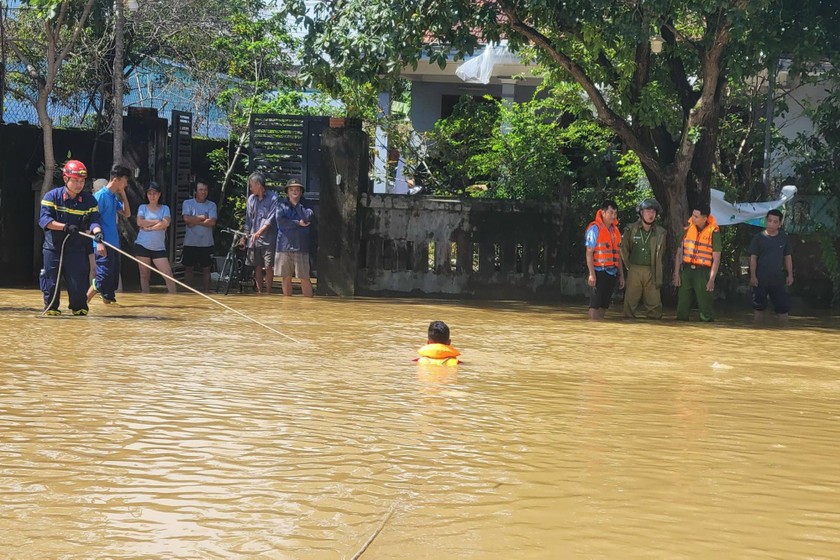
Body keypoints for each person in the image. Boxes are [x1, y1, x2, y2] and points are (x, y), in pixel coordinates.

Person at [38, 160, 104, 316]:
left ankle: (79, 311)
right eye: (75, 181)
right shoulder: (52, 197)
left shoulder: (89, 200)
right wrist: (65, 227)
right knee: (51, 282)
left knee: (78, 284)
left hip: (76, 249)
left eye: (82, 181)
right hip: (54, 248)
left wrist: (97, 232)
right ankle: (51, 308)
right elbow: (44, 221)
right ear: (65, 179)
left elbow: (95, 219)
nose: (79, 185)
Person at [86, 164, 131, 305]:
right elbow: (92, 220)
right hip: (102, 243)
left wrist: (123, 193)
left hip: (113, 243)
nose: (126, 183)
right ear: (116, 179)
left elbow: (127, 213)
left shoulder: (112, 197)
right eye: (125, 180)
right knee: (102, 279)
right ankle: (82, 302)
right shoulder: (100, 196)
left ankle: (109, 312)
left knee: (111, 282)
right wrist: (98, 241)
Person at [674, 204, 721, 322]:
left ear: (704, 218)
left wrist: (711, 279)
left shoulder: (713, 232)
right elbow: (679, 252)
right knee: (682, 309)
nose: (692, 218)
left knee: (706, 311)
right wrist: (676, 274)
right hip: (687, 270)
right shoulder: (687, 229)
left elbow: (716, 257)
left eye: (696, 216)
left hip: (703, 272)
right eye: (693, 215)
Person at [620, 198, 666, 319]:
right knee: (629, 305)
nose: (651, 214)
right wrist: (629, 266)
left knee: (655, 306)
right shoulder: (630, 229)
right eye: (648, 211)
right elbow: (623, 249)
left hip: (652, 270)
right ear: (641, 212)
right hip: (634, 269)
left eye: (653, 212)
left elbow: (662, 253)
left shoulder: (661, 232)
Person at [749, 209, 794, 324]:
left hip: (778, 280)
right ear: (765, 221)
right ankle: (757, 333)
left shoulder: (784, 238)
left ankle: (784, 335)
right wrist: (753, 276)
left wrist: (790, 275)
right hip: (760, 279)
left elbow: (787, 257)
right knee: (759, 309)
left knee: (783, 310)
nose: (771, 224)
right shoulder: (758, 238)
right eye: (769, 221)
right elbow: (752, 258)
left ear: (780, 224)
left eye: (775, 222)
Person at [585, 199, 625, 320]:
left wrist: (621, 275)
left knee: (604, 305)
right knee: (595, 304)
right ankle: (592, 327)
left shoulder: (615, 231)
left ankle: (599, 328)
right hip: (598, 272)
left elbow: (618, 254)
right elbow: (589, 252)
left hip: (612, 272)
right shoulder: (594, 229)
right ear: (603, 212)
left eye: (615, 213)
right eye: (611, 212)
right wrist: (591, 274)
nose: (613, 216)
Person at [274, 178, 314, 297]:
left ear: (301, 192)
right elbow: (280, 222)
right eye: (291, 190)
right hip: (283, 246)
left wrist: (297, 205)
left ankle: (309, 305)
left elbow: (308, 218)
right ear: (287, 192)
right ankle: (287, 304)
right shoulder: (281, 205)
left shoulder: (306, 205)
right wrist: (297, 223)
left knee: (304, 277)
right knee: (285, 277)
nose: (294, 192)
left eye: (297, 190)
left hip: (301, 246)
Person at [135, 182, 177, 294]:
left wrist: (149, 228)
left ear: (159, 195)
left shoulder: (165, 208)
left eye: (155, 193)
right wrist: (158, 221)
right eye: (149, 193)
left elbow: (166, 223)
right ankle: (146, 300)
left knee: (168, 275)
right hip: (143, 245)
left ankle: (174, 298)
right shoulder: (142, 207)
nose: (152, 196)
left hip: (159, 248)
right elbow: (140, 222)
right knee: (144, 275)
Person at [241, 172, 278, 295]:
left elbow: (271, 219)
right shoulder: (251, 199)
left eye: (251, 185)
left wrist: (259, 232)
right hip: (254, 239)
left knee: (268, 267)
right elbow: (248, 220)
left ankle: (268, 292)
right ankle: (259, 291)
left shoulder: (273, 198)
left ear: (258, 184)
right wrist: (244, 237)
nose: (250, 188)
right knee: (257, 266)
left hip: (268, 238)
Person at [182, 179, 217, 292]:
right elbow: (186, 219)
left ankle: (206, 292)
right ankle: (188, 293)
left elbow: (212, 222)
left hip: (206, 243)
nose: (203, 192)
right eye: (201, 190)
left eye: (205, 190)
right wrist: (203, 217)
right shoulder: (188, 203)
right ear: (195, 191)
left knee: (207, 270)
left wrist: (194, 222)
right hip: (190, 242)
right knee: (188, 269)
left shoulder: (212, 205)